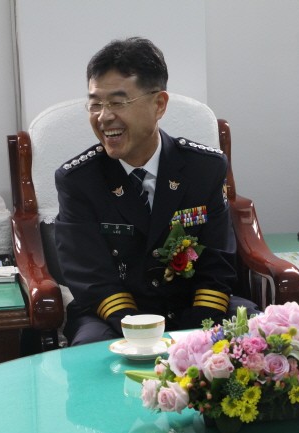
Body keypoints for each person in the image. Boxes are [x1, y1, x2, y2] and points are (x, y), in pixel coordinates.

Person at [54, 37, 260, 346]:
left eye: (118, 103)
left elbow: (217, 261)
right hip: (112, 315)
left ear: (159, 104)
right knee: (91, 348)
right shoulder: (79, 180)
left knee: (257, 332)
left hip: (190, 305)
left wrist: (194, 337)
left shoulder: (204, 168)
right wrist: (145, 335)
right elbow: (91, 276)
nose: (104, 117)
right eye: (95, 104)